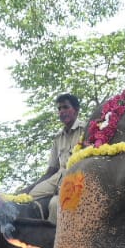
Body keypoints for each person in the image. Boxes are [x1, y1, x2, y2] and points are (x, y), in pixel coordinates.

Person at [24, 93, 86, 221]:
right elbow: (51, 169)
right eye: (59, 109)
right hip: (57, 178)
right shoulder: (58, 137)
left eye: (65, 107)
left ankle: (54, 239)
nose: (61, 111)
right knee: (29, 196)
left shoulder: (86, 130)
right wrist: (30, 186)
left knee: (54, 204)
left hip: (77, 177)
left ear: (76, 110)